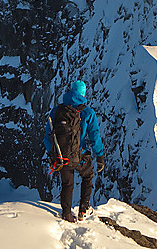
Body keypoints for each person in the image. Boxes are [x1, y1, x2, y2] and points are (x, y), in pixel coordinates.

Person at [44, 80, 105, 222]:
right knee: (87, 174)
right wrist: (99, 156)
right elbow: (94, 136)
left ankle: (66, 213)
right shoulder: (88, 112)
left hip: (61, 155)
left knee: (67, 183)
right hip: (78, 156)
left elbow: (48, 134)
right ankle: (83, 210)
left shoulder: (57, 110)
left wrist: (52, 153)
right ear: (83, 94)